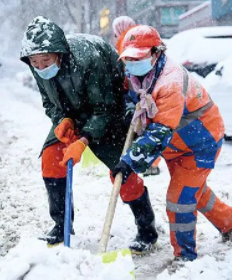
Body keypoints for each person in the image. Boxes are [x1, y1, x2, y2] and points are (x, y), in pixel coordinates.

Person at [20, 16, 158, 250]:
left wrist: (83, 140)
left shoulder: (88, 60)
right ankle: (62, 225)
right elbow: (49, 102)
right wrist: (61, 120)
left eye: (46, 60)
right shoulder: (38, 67)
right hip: (72, 113)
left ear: (59, 53)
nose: (41, 67)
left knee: (121, 171)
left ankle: (147, 228)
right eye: (35, 63)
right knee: (51, 160)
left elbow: (103, 108)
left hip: (109, 110)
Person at [113, 25, 232, 261]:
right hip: (176, 146)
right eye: (128, 58)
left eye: (138, 57)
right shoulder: (136, 73)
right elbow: (130, 97)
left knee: (179, 200)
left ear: (156, 52)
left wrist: (130, 161)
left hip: (200, 143)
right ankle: (228, 222)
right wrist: (130, 113)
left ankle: (185, 257)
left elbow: (159, 131)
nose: (132, 62)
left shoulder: (170, 82)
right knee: (193, 191)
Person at [113, 16, 161, 177]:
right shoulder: (141, 36)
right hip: (144, 94)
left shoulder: (124, 43)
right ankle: (150, 163)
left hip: (136, 92)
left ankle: (138, 162)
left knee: (143, 128)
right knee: (151, 129)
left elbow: (127, 75)